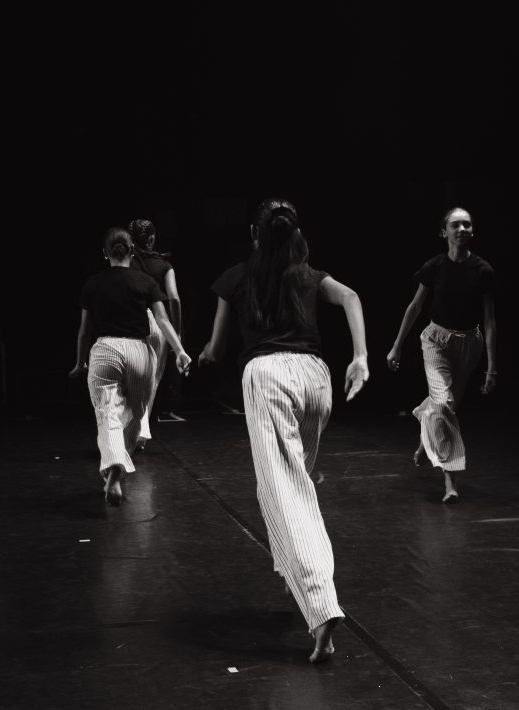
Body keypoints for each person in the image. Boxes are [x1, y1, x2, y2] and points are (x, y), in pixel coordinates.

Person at [199, 199, 369, 664]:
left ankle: (321, 605)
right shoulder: (307, 274)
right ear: (294, 234)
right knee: (297, 485)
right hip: (316, 379)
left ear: (255, 235)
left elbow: (216, 347)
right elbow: (351, 297)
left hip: (269, 378)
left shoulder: (236, 277)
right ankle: (289, 567)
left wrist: (203, 358)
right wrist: (360, 358)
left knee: (285, 493)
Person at [70, 227, 191, 504]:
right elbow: (162, 321)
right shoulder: (146, 282)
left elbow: (84, 331)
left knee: (108, 413)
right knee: (136, 415)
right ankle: (118, 466)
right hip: (139, 352)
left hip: (106, 351)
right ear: (132, 251)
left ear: (105, 253)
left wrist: (80, 362)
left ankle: (114, 464)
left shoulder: (93, 283)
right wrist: (180, 351)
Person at [386, 207, 497, 503]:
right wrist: (397, 345)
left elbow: (489, 320)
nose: (461, 229)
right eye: (455, 225)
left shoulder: (483, 270)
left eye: (467, 225)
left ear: (473, 231)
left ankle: (426, 438)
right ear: (443, 232)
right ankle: (451, 481)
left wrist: (491, 366)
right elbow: (414, 307)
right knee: (444, 404)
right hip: (436, 341)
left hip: (469, 344)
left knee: (444, 406)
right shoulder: (434, 267)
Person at [129, 218, 184, 433]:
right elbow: (174, 298)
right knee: (151, 381)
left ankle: (127, 430)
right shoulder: (164, 265)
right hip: (156, 323)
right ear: (152, 238)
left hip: (131, 322)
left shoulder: (127, 262)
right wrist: (176, 333)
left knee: (130, 380)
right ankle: (140, 434)